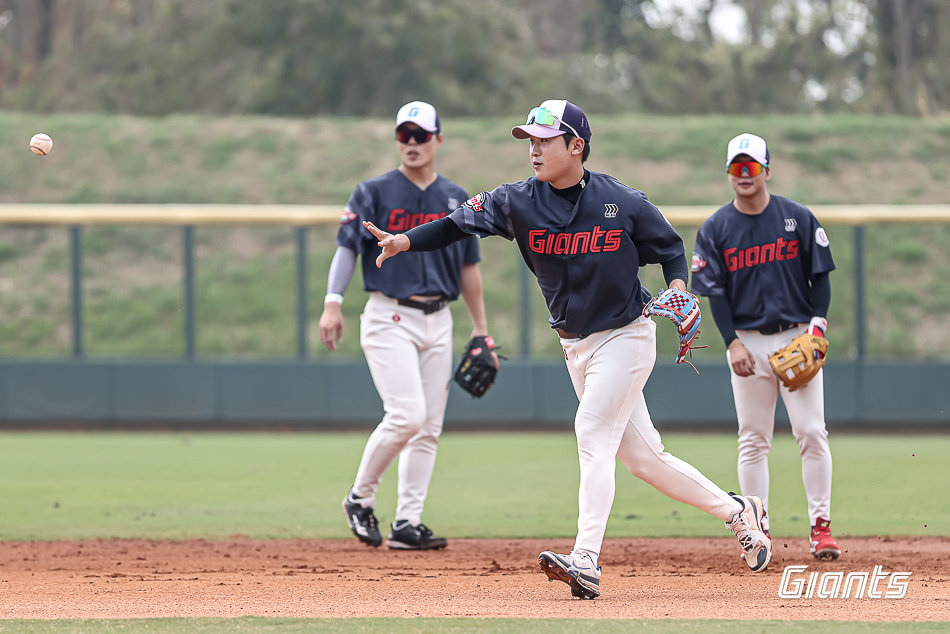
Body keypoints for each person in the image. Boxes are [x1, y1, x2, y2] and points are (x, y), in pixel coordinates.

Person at [361, 99, 773, 599]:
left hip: (627, 335)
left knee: (591, 431)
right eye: (529, 141)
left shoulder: (620, 201)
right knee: (645, 460)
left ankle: (586, 560)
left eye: (544, 140)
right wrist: (404, 241)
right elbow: (455, 223)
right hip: (575, 346)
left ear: (576, 145)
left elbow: (668, 248)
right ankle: (739, 511)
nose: (533, 150)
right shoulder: (515, 201)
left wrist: (679, 286)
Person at [319, 101, 493, 551]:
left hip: (440, 319)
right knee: (407, 415)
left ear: (438, 139)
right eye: (404, 135)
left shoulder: (455, 197)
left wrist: (480, 328)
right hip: (389, 315)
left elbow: (469, 267)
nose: (412, 143)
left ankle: (407, 524)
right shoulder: (373, 192)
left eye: (421, 135)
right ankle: (360, 498)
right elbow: (346, 248)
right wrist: (333, 302)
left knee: (429, 427)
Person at [690, 132, 841, 560]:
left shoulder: (797, 217)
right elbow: (716, 294)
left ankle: (821, 528)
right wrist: (732, 343)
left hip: (796, 336)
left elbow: (820, 276)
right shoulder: (716, 228)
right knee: (753, 438)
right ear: (728, 173)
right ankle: (759, 530)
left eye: (751, 166)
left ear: (766, 171)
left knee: (811, 431)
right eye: (736, 167)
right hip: (748, 343)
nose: (744, 174)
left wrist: (817, 327)